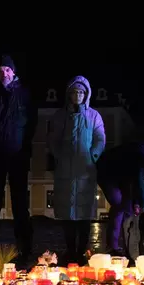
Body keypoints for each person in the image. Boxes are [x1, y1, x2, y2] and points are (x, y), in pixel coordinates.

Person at [0, 55, 37, 262]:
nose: (4, 73)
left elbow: (32, 124)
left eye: (8, 70)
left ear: (14, 72)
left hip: (18, 156)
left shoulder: (24, 94)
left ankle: (25, 246)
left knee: (20, 202)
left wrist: (25, 147)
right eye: (1, 70)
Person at [47, 76, 106, 265]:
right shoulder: (59, 116)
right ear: (68, 94)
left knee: (84, 213)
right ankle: (70, 249)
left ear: (86, 94)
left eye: (80, 92)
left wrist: (93, 155)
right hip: (65, 169)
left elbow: (100, 137)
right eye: (74, 92)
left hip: (85, 169)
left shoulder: (93, 116)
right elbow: (53, 139)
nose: (77, 95)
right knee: (67, 215)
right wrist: (58, 156)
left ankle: (81, 250)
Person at [96, 141, 144, 256]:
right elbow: (138, 181)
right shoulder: (141, 157)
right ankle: (125, 246)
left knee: (125, 206)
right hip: (108, 173)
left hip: (122, 174)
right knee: (121, 205)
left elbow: (136, 183)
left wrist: (137, 202)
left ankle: (122, 244)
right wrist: (142, 205)